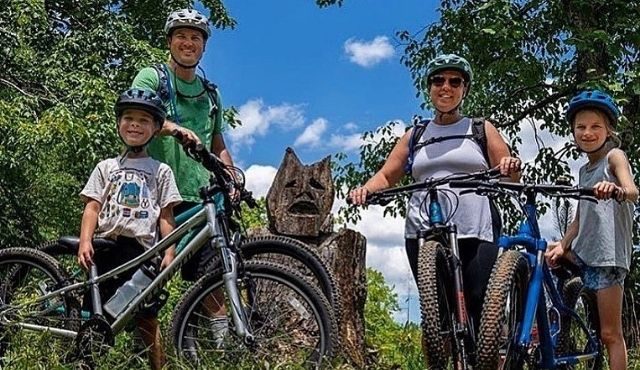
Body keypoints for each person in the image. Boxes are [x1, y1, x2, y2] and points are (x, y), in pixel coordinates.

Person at [349, 54, 521, 340]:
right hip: (424, 230)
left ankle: (486, 354)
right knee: (438, 313)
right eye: (438, 80)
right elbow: (386, 176)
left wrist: (509, 166)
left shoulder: (480, 129)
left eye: (455, 81)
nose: (446, 87)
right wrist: (366, 189)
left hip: (475, 228)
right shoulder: (415, 135)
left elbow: (510, 174)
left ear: (464, 89)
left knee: (479, 301)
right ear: (429, 88)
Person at [130, 7, 235, 342]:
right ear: (169, 41)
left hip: (201, 198)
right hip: (153, 195)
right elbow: (136, 116)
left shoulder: (211, 94)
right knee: (145, 285)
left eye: (195, 37)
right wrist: (174, 128)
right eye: (181, 36)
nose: (188, 43)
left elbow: (217, 142)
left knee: (214, 276)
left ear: (203, 46)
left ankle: (220, 353)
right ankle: (141, 356)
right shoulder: (153, 78)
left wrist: (230, 175)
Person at [77, 88, 182, 370]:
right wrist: (85, 241)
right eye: (129, 118)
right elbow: (92, 207)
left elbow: (166, 214)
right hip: (105, 248)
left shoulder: (161, 171)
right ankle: (86, 361)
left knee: (146, 315)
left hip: (142, 253)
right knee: (94, 313)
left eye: (144, 120)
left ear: (156, 128)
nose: (135, 124)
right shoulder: (106, 167)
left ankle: (156, 365)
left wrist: (168, 251)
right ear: (118, 124)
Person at [545, 90, 637, 370]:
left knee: (610, 333)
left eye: (595, 126)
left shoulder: (614, 156)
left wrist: (616, 189)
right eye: (580, 127)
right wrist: (563, 244)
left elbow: (633, 191)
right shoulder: (584, 171)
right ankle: (548, 326)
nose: (587, 132)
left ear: (609, 129)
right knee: (542, 252)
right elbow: (580, 217)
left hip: (607, 257)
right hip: (584, 252)